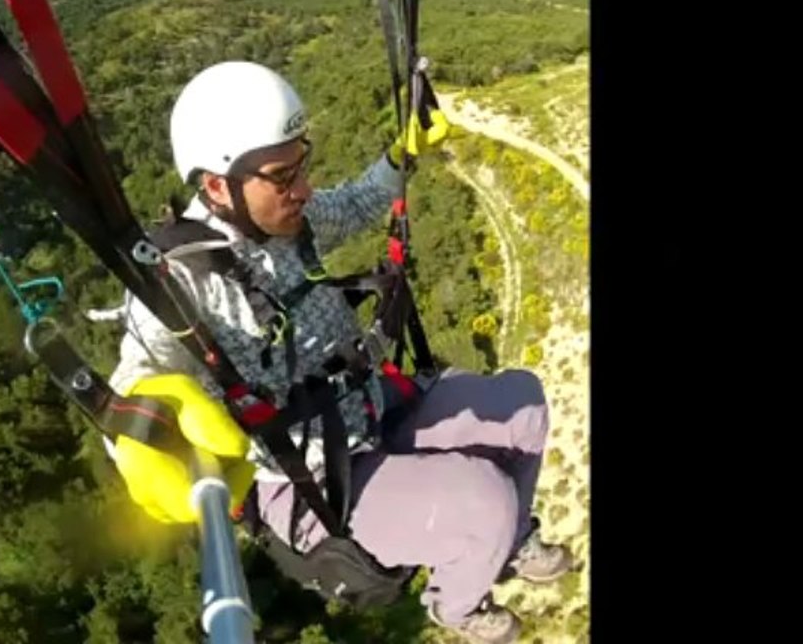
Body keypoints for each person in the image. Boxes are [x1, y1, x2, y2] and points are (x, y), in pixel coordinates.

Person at [104, 61, 574, 644]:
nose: (301, 189)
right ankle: (457, 606)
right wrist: (136, 428)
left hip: (367, 408)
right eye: (282, 176)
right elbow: (140, 369)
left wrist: (398, 159)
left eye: (302, 166)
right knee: (486, 501)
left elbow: (354, 203)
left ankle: (500, 547)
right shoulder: (179, 276)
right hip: (306, 477)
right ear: (217, 185)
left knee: (523, 404)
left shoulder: (290, 222)